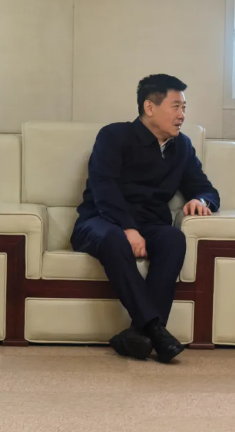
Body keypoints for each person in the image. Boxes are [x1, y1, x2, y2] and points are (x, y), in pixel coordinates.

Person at [71, 74, 220, 363]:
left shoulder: (182, 146)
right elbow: (104, 188)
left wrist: (200, 200)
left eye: (184, 108)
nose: (182, 115)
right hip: (100, 221)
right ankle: (155, 329)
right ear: (149, 107)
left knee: (173, 238)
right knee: (114, 238)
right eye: (175, 107)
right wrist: (127, 228)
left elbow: (205, 189)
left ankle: (135, 335)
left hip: (150, 225)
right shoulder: (113, 136)